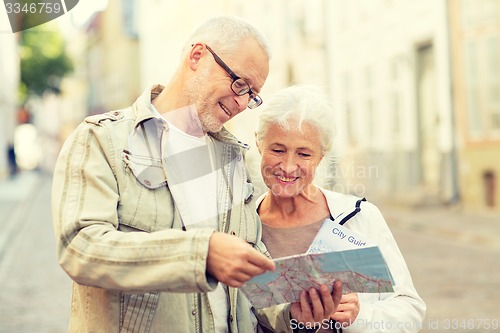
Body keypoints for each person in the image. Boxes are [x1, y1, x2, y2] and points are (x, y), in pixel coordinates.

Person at [52, 17, 340, 333]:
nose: (243, 103)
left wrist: (296, 314)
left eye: (252, 95)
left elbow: (252, 287)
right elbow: (81, 248)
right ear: (197, 56)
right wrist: (199, 254)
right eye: (240, 84)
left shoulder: (231, 158)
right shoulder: (103, 140)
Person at [254, 85, 426, 332]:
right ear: (259, 144)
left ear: (321, 156)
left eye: (304, 154)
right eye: (277, 150)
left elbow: (410, 310)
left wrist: (358, 317)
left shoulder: (360, 217)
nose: (289, 166)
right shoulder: (243, 225)